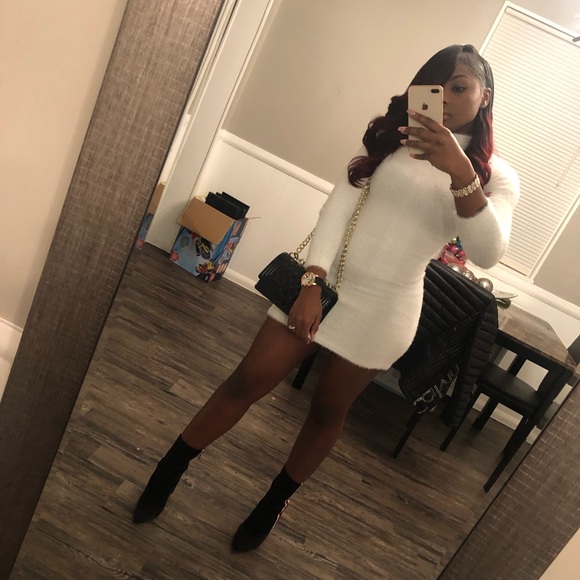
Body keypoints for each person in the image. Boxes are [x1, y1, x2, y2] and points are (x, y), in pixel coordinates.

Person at [132, 44, 519, 552]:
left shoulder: (495, 175)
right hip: (323, 285)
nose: (445, 97)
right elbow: (338, 208)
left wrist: (460, 172)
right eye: (435, 84)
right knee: (248, 378)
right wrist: (312, 282)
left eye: (461, 87)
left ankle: (273, 504)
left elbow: (487, 253)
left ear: (485, 96)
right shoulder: (393, 137)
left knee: (327, 411)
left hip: (387, 310)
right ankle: (170, 468)